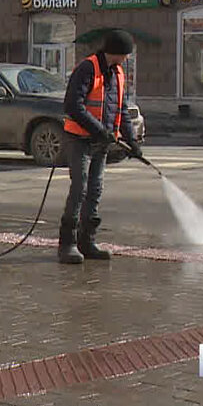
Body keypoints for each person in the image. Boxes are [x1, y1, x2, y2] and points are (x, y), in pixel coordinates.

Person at [58, 29, 140, 265]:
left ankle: (87, 241)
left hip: (100, 144)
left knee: (94, 190)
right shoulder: (87, 68)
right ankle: (67, 244)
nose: (126, 59)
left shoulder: (118, 74)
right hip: (80, 140)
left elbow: (121, 110)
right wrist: (98, 130)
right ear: (116, 52)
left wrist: (131, 141)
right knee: (80, 188)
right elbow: (73, 105)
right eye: (125, 54)